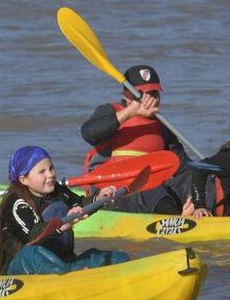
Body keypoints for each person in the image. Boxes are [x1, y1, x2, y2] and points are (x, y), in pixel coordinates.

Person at [0, 145, 130, 275]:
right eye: (42, 171)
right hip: (22, 266)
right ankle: (68, 276)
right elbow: (33, 235)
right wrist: (64, 225)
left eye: (51, 168)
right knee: (31, 253)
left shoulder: (58, 191)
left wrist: (99, 199)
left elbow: (80, 204)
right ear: (24, 179)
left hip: (60, 262)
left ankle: (69, 272)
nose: (50, 174)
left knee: (118, 258)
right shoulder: (16, 203)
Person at [80, 64, 195, 214]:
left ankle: (192, 213)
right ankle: (172, 218)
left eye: (154, 93)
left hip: (152, 187)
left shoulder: (162, 126)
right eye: (141, 94)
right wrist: (131, 111)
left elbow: (183, 166)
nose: (149, 99)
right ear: (126, 94)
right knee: (156, 194)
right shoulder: (110, 112)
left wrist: (195, 193)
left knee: (200, 182)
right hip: (114, 191)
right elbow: (88, 133)